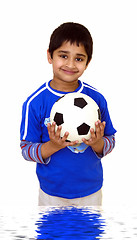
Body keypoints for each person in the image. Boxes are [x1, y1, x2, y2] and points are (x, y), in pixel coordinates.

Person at [20, 22, 116, 206]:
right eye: (63, 56)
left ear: (87, 62)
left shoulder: (96, 99)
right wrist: (53, 146)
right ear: (50, 55)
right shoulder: (35, 103)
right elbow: (26, 150)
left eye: (79, 59)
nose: (70, 64)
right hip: (52, 193)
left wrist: (98, 144)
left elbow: (111, 140)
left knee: (87, 234)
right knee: (54, 234)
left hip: (91, 191)